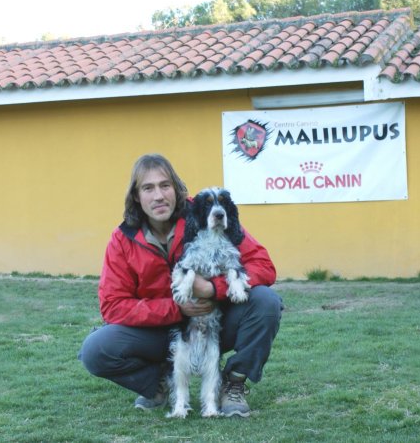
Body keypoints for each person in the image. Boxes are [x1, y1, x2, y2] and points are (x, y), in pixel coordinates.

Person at [79, 153, 283, 418]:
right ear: (136, 196)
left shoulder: (206, 211)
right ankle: (159, 382)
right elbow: (113, 307)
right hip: (155, 332)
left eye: (165, 185)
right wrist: (177, 309)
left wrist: (213, 289)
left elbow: (264, 266)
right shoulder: (122, 240)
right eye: (148, 188)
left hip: (215, 321)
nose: (158, 196)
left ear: (176, 189)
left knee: (266, 301)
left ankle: (234, 381)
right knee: (95, 350)